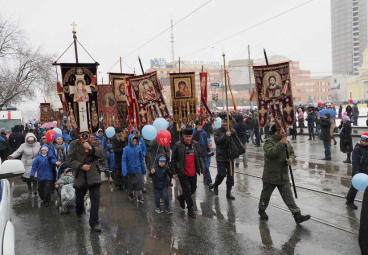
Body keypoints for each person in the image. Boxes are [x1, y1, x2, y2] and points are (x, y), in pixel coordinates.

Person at [258, 125, 310, 224]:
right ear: (275, 132)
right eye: (281, 131)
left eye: (284, 130)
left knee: (288, 196)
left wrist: (291, 159)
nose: (284, 132)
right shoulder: (269, 142)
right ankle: (261, 210)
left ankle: (297, 215)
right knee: (266, 195)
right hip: (271, 175)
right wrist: (280, 144)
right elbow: (270, 153)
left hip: (283, 175)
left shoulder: (286, 141)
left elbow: (292, 153)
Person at [66, 133, 105, 232]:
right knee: (79, 198)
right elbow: (69, 160)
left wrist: (91, 147)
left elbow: (102, 154)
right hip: (80, 175)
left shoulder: (95, 142)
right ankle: (79, 212)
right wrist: (81, 166)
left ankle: (94, 222)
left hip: (93, 175)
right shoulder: (74, 144)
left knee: (95, 199)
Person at [170, 128, 204, 218]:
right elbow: (173, 160)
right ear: (183, 136)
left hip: (193, 171)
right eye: (186, 136)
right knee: (187, 191)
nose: (188, 138)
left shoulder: (196, 144)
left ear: (192, 136)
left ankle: (181, 198)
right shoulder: (178, 145)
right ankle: (190, 208)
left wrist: (203, 168)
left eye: (190, 136)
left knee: (193, 189)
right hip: (183, 172)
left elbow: (199, 157)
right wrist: (173, 172)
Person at [213, 114, 241, 200]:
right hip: (221, 156)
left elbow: (237, 142)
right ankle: (216, 184)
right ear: (221, 122)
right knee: (221, 174)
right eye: (224, 122)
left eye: (226, 121)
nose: (225, 123)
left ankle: (228, 192)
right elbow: (217, 141)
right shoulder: (217, 131)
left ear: (229, 122)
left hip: (230, 156)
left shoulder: (233, 130)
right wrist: (225, 135)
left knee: (230, 175)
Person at [345, 133, 368, 210]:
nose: (364, 142)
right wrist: (356, 172)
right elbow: (355, 162)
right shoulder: (357, 149)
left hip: (366, 170)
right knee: (354, 187)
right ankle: (349, 201)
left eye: (366, 141)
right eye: (362, 141)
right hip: (358, 171)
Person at [122, 134, 146, 202]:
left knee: (139, 183)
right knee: (130, 183)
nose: (134, 142)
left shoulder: (138, 148)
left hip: (138, 169)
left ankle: (139, 196)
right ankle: (130, 194)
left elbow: (141, 159)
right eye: (133, 141)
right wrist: (124, 170)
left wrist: (143, 168)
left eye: (135, 141)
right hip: (130, 169)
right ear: (130, 141)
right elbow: (124, 160)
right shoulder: (126, 149)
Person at [192, 120, 213, 189]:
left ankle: (209, 182)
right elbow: (193, 140)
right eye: (199, 125)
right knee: (195, 169)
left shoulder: (204, 133)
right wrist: (197, 132)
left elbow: (206, 143)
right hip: (196, 154)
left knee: (206, 168)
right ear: (196, 125)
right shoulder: (193, 132)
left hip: (203, 153)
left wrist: (208, 150)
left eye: (201, 125)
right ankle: (193, 184)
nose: (200, 126)